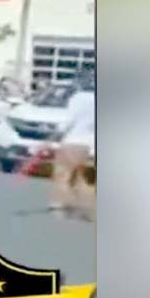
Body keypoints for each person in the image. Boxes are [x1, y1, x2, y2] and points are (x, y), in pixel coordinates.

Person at [51, 68, 96, 219]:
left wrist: (56, 134)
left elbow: (68, 121)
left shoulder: (78, 98)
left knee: (63, 176)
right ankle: (88, 210)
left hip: (73, 142)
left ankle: (61, 208)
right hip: (91, 145)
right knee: (86, 179)